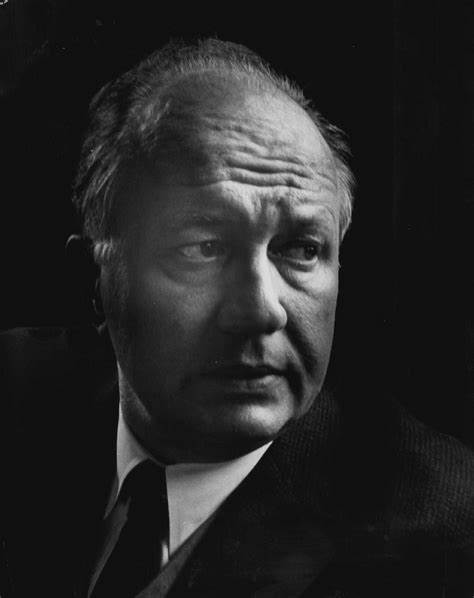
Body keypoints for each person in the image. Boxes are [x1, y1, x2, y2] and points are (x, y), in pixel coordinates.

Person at [1, 38, 473, 598]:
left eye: (301, 250)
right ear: (93, 281)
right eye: (203, 248)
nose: (261, 309)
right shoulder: (18, 400)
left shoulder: (444, 539)